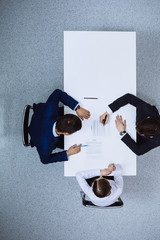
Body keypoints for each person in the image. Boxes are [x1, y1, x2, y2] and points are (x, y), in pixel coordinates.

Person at [28, 89, 90, 164]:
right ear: (67, 133)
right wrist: (67, 153)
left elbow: (57, 93)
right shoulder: (46, 146)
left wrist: (77, 108)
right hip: (39, 137)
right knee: (65, 144)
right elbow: (44, 160)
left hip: (41, 117)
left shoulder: (50, 109)